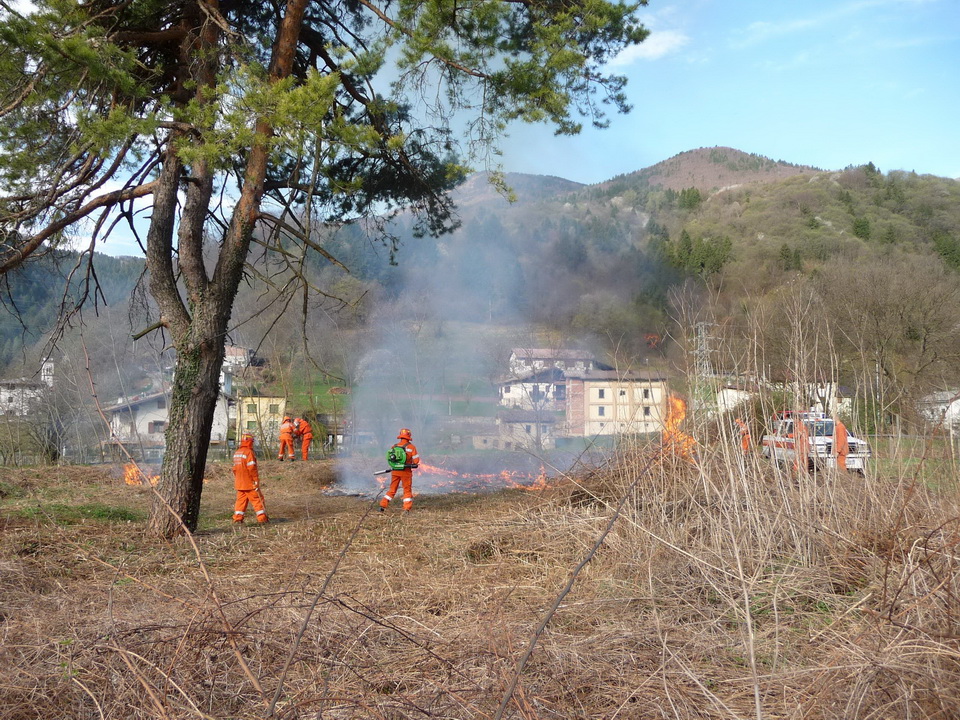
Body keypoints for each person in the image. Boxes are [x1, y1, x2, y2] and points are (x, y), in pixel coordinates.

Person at [380, 427, 420, 513]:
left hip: (395, 471)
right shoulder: (411, 447)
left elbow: (390, 459)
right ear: (409, 436)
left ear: (400, 436)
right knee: (407, 490)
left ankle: (382, 505)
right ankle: (406, 508)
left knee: (392, 489)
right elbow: (416, 461)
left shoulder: (394, 446)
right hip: (406, 472)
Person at [233, 432, 269, 524]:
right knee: (257, 500)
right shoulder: (249, 452)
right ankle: (262, 519)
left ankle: (238, 519)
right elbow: (252, 468)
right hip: (249, 483)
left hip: (239, 483)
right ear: (250, 442)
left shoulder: (237, 453)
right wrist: (255, 481)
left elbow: (234, 469)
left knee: (240, 501)